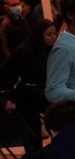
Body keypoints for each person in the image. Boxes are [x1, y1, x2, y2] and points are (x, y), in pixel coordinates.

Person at [1, 19, 57, 152]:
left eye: (55, 34)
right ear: (39, 35)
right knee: (33, 133)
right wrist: (7, 97)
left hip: (47, 92)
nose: (53, 37)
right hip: (28, 95)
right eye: (49, 34)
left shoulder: (53, 51)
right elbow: (6, 74)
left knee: (58, 118)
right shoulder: (24, 52)